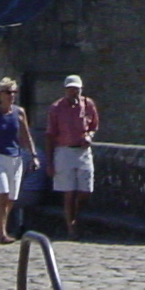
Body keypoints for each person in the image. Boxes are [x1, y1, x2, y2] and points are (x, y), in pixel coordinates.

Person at [0, 78, 39, 243]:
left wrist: (33, 155)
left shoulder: (19, 113)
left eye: (14, 92)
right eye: (8, 92)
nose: (11, 95)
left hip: (15, 158)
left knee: (11, 197)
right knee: (3, 194)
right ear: (0, 94)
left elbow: (25, 135)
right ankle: (1, 231)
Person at [45, 75, 99, 240]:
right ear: (65, 90)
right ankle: (71, 227)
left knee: (85, 190)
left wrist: (89, 135)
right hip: (64, 151)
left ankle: (76, 217)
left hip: (82, 152)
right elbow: (50, 135)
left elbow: (93, 125)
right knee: (68, 192)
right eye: (70, 89)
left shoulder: (88, 104)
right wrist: (50, 162)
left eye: (76, 89)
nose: (73, 92)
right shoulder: (56, 108)